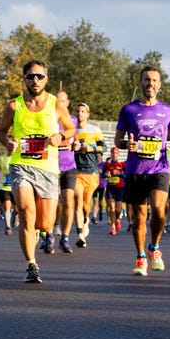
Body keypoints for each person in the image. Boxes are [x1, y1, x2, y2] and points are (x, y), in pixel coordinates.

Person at [0, 60, 75, 283]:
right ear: (25, 79)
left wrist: (61, 136)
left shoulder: (56, 104)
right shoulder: (13, 106)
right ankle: (31, 264)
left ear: (46, 78)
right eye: (31, 77)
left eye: (39, 76)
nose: (35, 80)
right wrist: (7, 141)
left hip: (48, 168)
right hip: (21, 165)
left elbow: (70, 128)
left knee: (46, 224)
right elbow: (0, 131)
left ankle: (35, 233)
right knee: (26, 213)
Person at [115, 66, 170, 275]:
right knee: (138, 217)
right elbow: (118, 141)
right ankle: (140, 256)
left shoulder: (167, 110)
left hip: (160, 168)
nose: (150, 83)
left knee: (159, 210)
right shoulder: (128, 110)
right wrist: (129, 145)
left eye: (154, 80)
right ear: (140, 83)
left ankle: (154, 248)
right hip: (136, 169)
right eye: (147, 79)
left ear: (159, 84)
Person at [73, 102, 106, 248]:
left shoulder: (94, 130)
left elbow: (103, 147)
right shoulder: (71, 130)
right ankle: (80, 234)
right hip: (76, 170)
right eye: (78, 111)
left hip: (91, 172)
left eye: (82, 111)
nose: (80, 113)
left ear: (88, 114)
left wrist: (90, 147)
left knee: (86, 204)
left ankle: (86, 220)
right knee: (78, 200)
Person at [50, 89, 79, 255]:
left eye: (62, 101)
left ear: (67, 103)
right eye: (56, 101)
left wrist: (77, 145)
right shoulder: (50, 119)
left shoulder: (72, 120)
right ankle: (48, 235)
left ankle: (65, 237)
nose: (59, 104)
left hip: (69, 166)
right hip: (51, 166)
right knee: (52, 204)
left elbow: (77, 141)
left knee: (68, 201)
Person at [101, 148, 126, 234]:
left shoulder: (122, 164)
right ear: (111, 154)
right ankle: (113, 227)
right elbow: (102, 175)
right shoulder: (107, 165)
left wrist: (120, 174)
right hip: (110, 188)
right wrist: (105, 175)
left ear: (118, 154)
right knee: (112, 208)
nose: (114, 155)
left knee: (118, 210)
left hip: (120, 188)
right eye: (113, 153)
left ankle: (117, 219)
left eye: (116, 153)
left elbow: (126, 175)